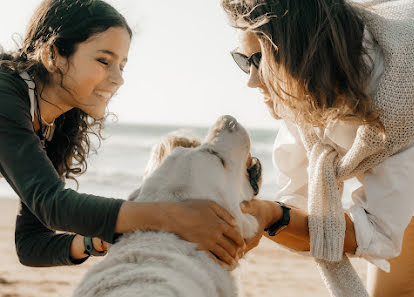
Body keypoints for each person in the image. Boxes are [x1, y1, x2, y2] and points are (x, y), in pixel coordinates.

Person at [222, 0, 414, 296]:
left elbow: (375, 236)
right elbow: (301, 206)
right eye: (244, 59)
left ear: (299, 50)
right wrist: (256, 215)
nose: (251, 81)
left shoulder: (403, 91)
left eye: (259, 60)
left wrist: (271, 216)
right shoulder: (300, 85)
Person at [0, 0, 244, 269]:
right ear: (53, 55)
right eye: (104, 61)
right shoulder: (6, 99)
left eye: (122, 65)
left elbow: (31, 245)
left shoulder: (53, 125)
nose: (119, 79)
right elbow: (54, 206)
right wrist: (175, 216)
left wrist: (93, 241)